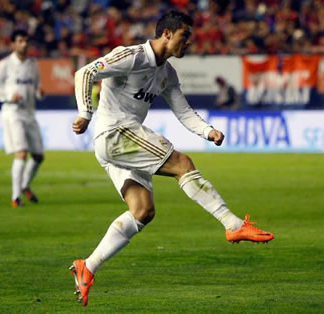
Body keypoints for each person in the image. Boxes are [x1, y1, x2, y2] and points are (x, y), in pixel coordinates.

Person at [70, 11, 274, 307]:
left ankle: (87, 266)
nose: (188, 43)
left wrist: (207, 130)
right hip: (115, 133)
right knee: (183, 164)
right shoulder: (132, 56)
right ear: (167, 34)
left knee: (142, 212)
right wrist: (85, 113)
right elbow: (85, 73)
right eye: (184, 36)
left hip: (121, 142)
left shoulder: (167, 74)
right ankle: (232, 224)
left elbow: (183, 111)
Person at [0, 30, 44, 208]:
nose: (24, 44)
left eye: (26, 41)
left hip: (29, 113)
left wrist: (39, 93)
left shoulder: (33, 65)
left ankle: (25, 185)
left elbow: (35, 88)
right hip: (12, 113)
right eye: (20, 41)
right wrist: (8, 96)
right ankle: (15, 197)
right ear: (12, 44)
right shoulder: (4, 64)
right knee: (21, 152)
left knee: (38, 156)